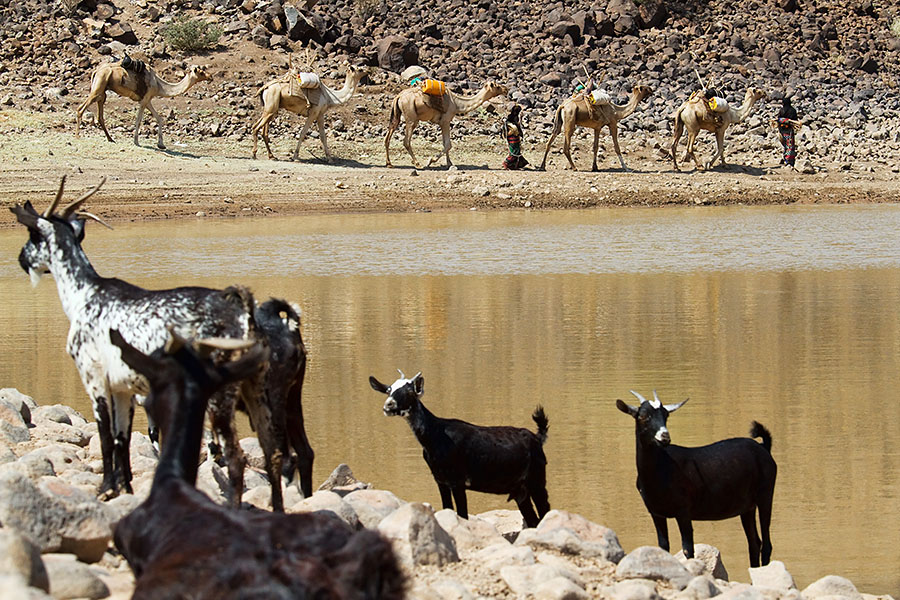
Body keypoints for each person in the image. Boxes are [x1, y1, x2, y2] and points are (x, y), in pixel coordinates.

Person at [501, 104, 529, 170]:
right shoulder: (508, 122)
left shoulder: (515, 119)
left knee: (517, 151)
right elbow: (507, 131)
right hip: (512, 139)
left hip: (516, 138)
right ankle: (506, 163)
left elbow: (518, 127)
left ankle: (515, 165)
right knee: (514, 152)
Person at [776, 97, 799, 168]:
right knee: (790, 145)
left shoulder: (781, 110)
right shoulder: (792, 110)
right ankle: (789, 160)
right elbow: (795, 120)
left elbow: (778, 119)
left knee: (785, 144)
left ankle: (785, 157)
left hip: (782, 130)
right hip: (789, 130)